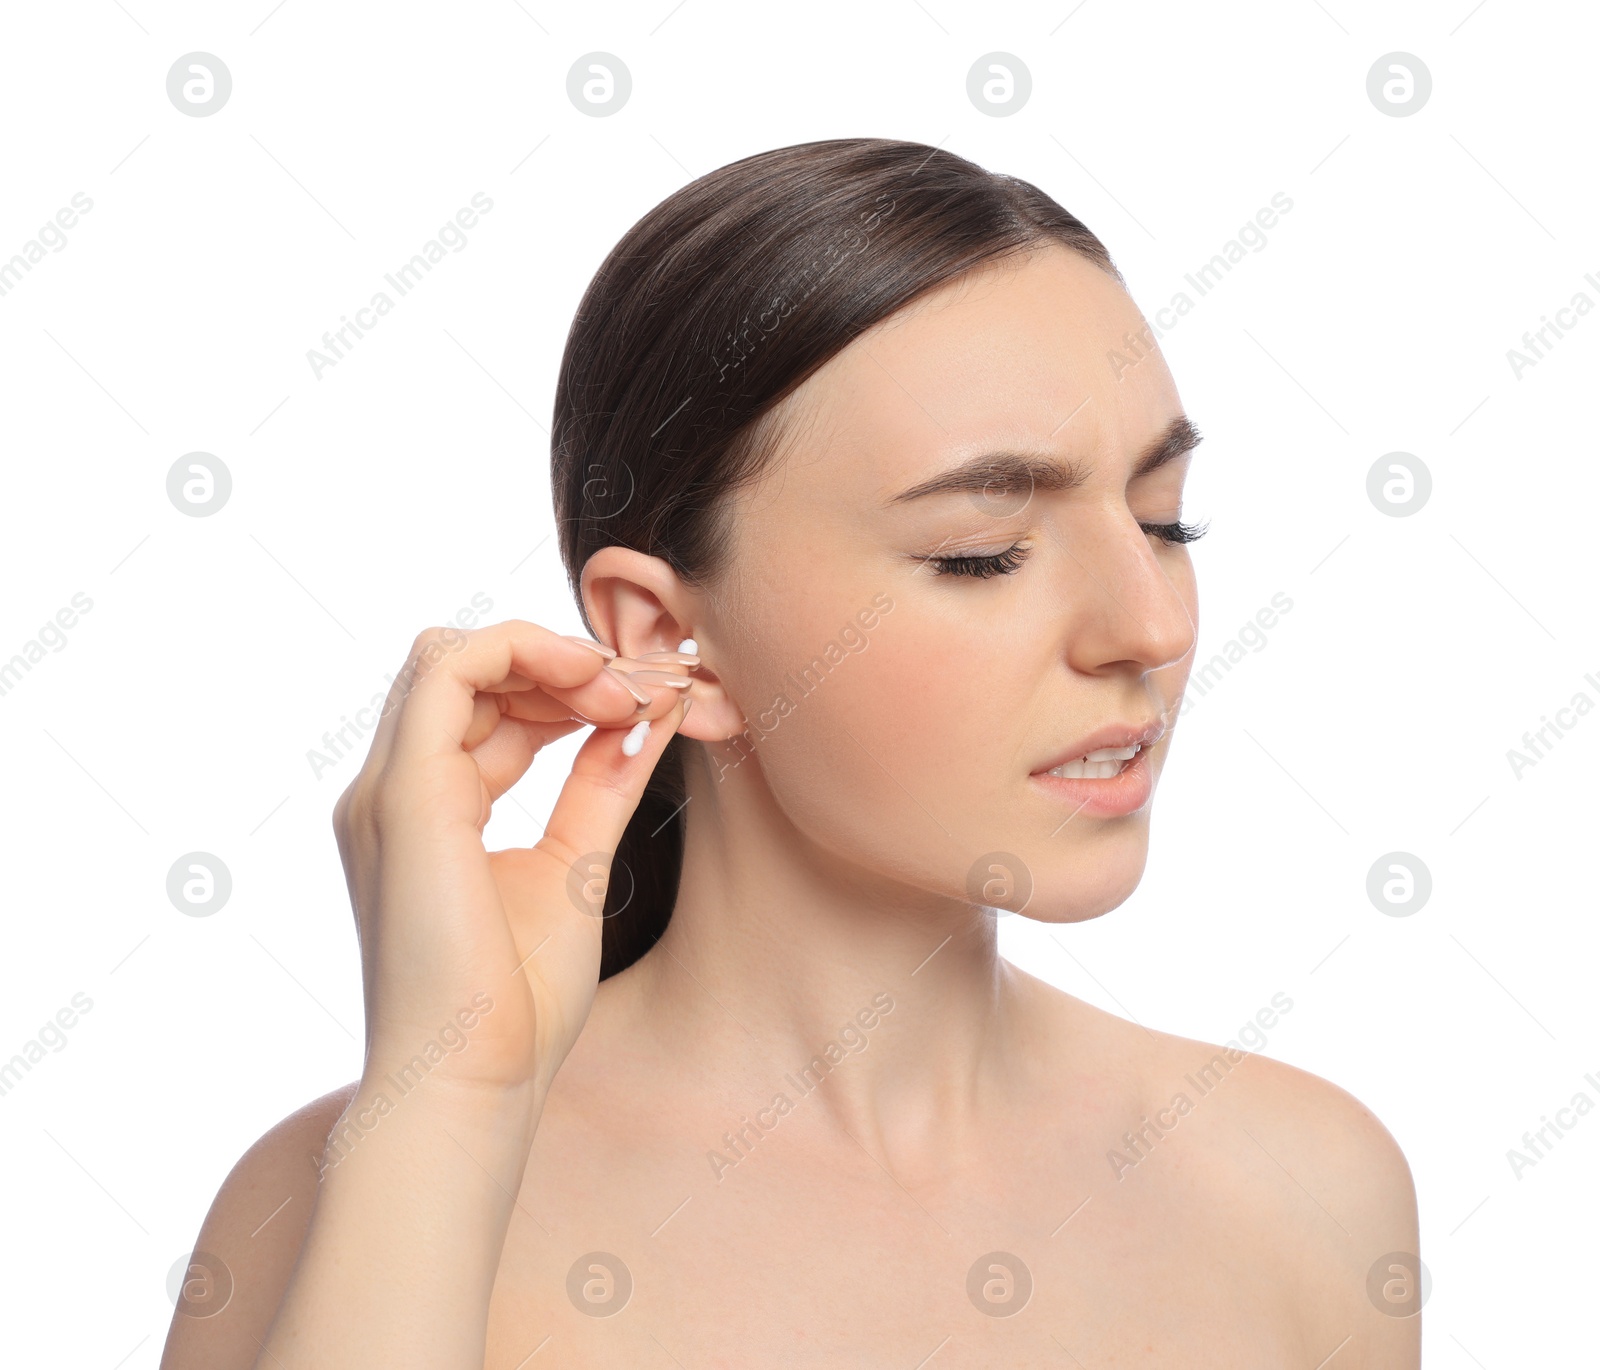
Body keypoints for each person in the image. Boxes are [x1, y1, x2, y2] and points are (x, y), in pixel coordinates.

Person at [161, 137, 1419, 1369]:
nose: (1149, 625)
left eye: (1162, 518)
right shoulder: (349, 1198)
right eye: (981, 551)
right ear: (668, 634)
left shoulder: (1300, 1190)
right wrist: (450, 1100)